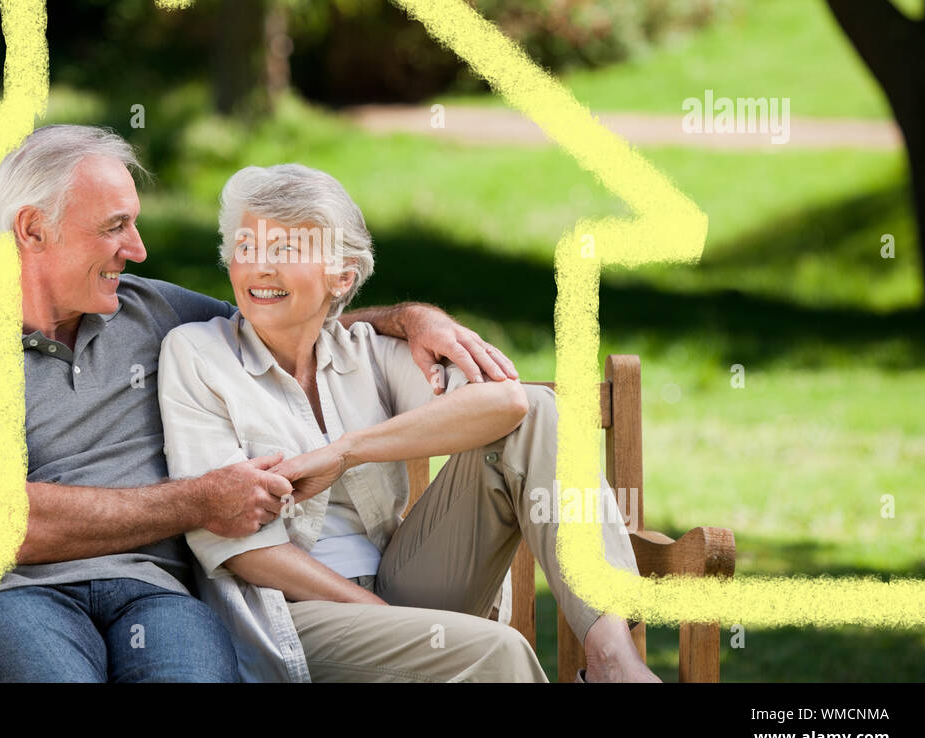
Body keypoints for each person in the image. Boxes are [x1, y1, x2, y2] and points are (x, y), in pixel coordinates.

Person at [0, 125, 516, 682]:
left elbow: (286, 313)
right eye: (114, 227)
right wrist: (200, 500)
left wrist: (411, 317)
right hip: (8, 600)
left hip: (157, 599)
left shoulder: (149, 312)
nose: (137, 249)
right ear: (32, 229)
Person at [159, 163, 659, 682]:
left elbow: (509, 405)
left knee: (540, 414)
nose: (260, 268)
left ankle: (612, 661)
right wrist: (393, 623)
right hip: (286, 615)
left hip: (402, 583)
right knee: (497, 650)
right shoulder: (197, 355)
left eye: (286, 250)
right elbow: (239, 549)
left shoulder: (367, 353)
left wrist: (348, 450)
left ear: (342, 276)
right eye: (246, 248)